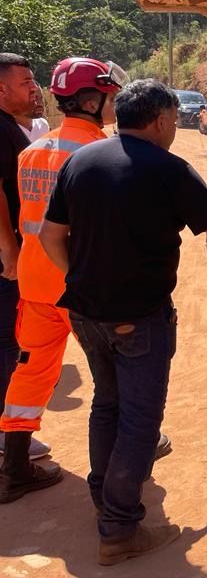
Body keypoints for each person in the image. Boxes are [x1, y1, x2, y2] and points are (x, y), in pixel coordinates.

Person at [36, 79, 207, 565]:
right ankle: (119, 529)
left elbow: (50, 237)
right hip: (138, 317)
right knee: (139, 419)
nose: (174, 127)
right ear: (161, 120)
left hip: (86, 313)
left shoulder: (81, 161)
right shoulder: (168, 168)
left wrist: (82, 279)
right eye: (172, 119)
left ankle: (103, 501)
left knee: (106, 404)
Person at [0, 58, 125, 504]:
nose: (114, 102)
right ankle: (129, 457)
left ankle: (13, 466)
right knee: (116, 373)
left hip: (35, 285)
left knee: (30, 372)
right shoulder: (101, 154)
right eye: (110, 95)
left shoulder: (30, 151)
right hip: (82, 286)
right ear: (93, 100)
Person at [0, 54, 35, 462]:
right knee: (9, 346)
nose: (33, 88)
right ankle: (10, 447)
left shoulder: (10, 128)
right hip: (6, 263)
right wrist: (9, 251)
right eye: (25, 82)